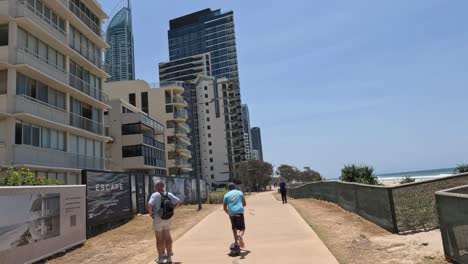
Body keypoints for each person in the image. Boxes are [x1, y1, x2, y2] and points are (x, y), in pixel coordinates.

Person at [148, 181, 181, 264]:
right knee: (168, 237)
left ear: (156, 187)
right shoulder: (168, 194)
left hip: (158, 218)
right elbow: (178, 201)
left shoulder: (154, 195)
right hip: (168, 218)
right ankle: (169, 257)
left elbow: (149, 205)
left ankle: (160, 257)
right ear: (163, 187)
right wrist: (172, 209)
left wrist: (151, 214)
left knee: (159, 238)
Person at [223, 183, 247, 248]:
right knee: (242, 228)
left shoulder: (226, 195)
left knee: (234, 228)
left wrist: (229, 213)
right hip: (239, 212)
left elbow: (224, 208)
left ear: (228, 188)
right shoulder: (240, 193)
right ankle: (240, 236)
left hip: (231, 213)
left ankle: (236, 242)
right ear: (235, 187)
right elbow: (244, 204)